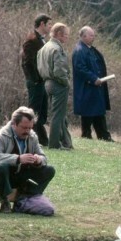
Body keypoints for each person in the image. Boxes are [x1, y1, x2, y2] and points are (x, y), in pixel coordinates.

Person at [0, 107, 56, 213]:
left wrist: (38, 160)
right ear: (14, 124)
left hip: (20, 175)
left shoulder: (32, 136)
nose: (27, 131)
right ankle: (4, 200)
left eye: (30, 128)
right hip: (1, 177)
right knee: (1, 166)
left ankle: (26, 197)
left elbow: (43, 157)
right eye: (24, 128)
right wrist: (18, 159)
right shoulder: (1, 136)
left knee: (49, 170)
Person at [37, 22, 73, 150]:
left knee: (59, 114)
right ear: (58, 34)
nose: (67, 38)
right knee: (58, 115)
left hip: (47, 82)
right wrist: (67, 82)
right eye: (66, 35)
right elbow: (59, 71)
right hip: (58, 84)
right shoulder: (57, 49)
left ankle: (66, 142)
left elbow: (40, 67)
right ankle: (54, 144)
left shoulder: (44, 48)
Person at [72, 26, 112, 142]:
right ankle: (86, 135)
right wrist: (93, 78)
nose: (93, 37)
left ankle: (103, 135)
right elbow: (80, 68)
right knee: (88, 112)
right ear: (83, 36)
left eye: (93, 35)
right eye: (91, 35)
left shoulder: (91, 49)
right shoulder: (79, 50)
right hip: (87, 87)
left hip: (96, 87)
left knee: (98, 111)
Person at [20, 14, 51, 146]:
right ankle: (29, 138)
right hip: (36, 82)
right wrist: (36, 79)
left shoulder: (42, 39)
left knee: (42, 112)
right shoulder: (31, 39)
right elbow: (27, 62)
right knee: (34, 111)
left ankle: (41, 140)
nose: (50, 27)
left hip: (42, 82)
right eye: (49, 24)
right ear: (42, 24)